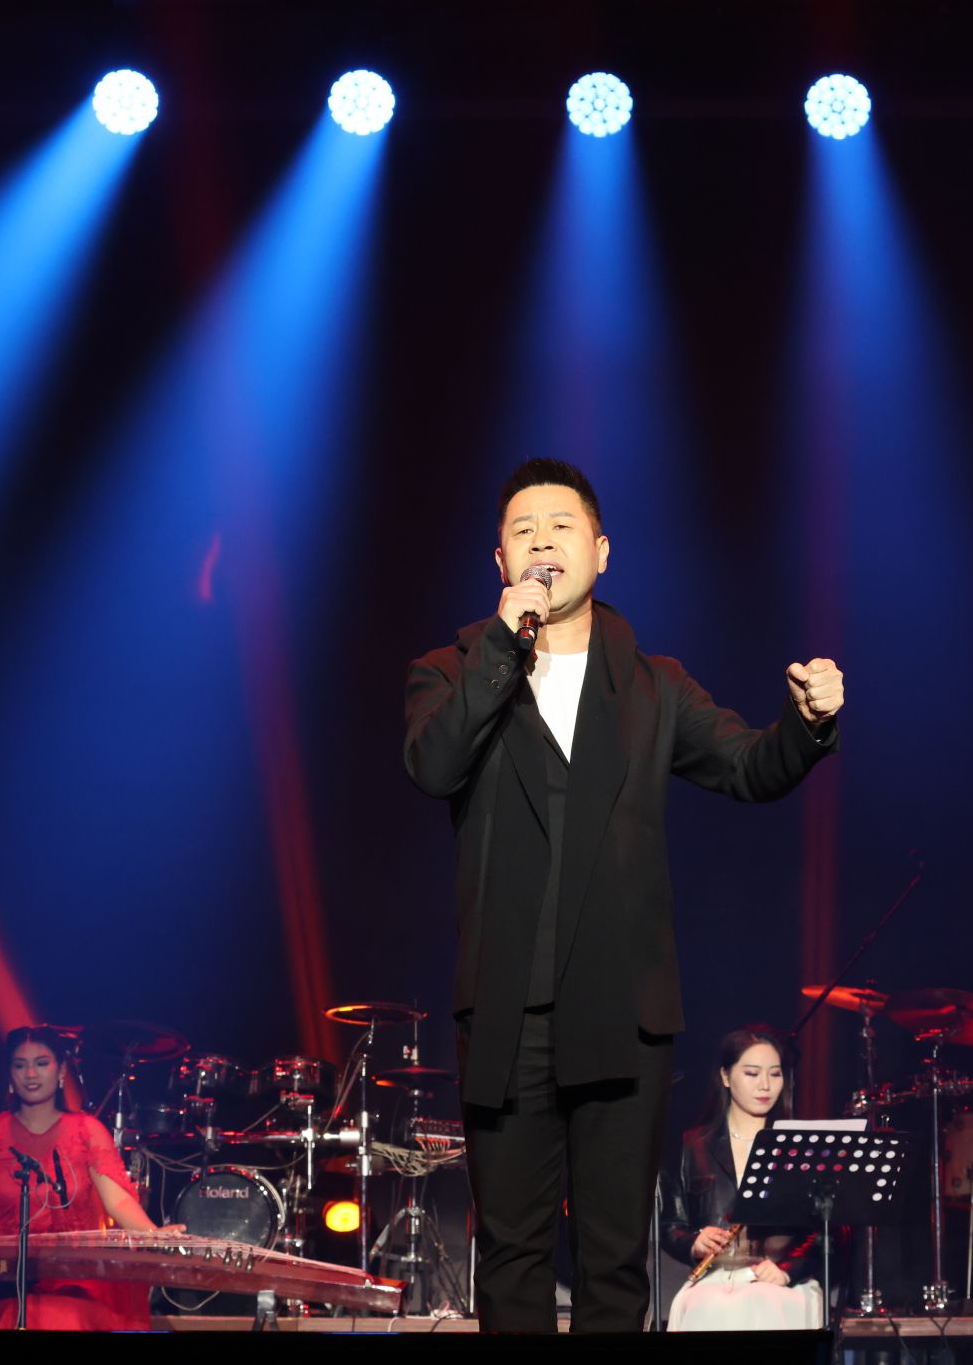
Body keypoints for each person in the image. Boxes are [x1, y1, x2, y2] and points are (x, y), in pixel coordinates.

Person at [404, 458, 843, 1332]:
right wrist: (502, 647)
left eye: (561, 526)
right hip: (507, 1011)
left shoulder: (653, 685)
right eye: (523, 530)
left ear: (601, 552)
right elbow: (433, 764)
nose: (542, 541)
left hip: (621, 1010)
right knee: (512, 1255)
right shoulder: (451, 669)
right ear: (500, 562)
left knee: (615, 1260)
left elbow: (749, 767)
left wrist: (807, 724)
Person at [0, 1026, 174, 1330]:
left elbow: (118, 1201)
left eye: (41, 1063)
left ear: (61, 1070)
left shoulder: (87, 1131)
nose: (31, 1074)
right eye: (20, 1065)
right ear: (9, 1074)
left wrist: (155, 1234)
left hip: (77, 1279)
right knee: (20, 1316)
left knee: (65, 1317)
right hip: (8, 1281)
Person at [661, 1027, 822, 1330]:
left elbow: (823, 1230)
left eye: (775, 1074)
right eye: (752, 1073)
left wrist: (788, 1269)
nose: (765, 1085)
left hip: (780, 1280)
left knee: (763, 1302)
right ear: (725, 1076)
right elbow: (670, 1227)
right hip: (716, 1279)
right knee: (710, 1306)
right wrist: (695, 1243)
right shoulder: (693, 1146)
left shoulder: (798, 1145)